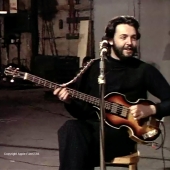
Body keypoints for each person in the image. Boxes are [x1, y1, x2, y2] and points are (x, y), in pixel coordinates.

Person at [53, 16, 170, 170]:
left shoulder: (144, 70)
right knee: (71, 128)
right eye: (123, 37)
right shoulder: (93, 68)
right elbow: (80, 113)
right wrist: (69, 101)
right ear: (109, 40)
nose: (129, 42)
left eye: (133, 38)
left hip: (121, 136)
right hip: (92, 132)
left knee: (76, 149)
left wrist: (151, 109)